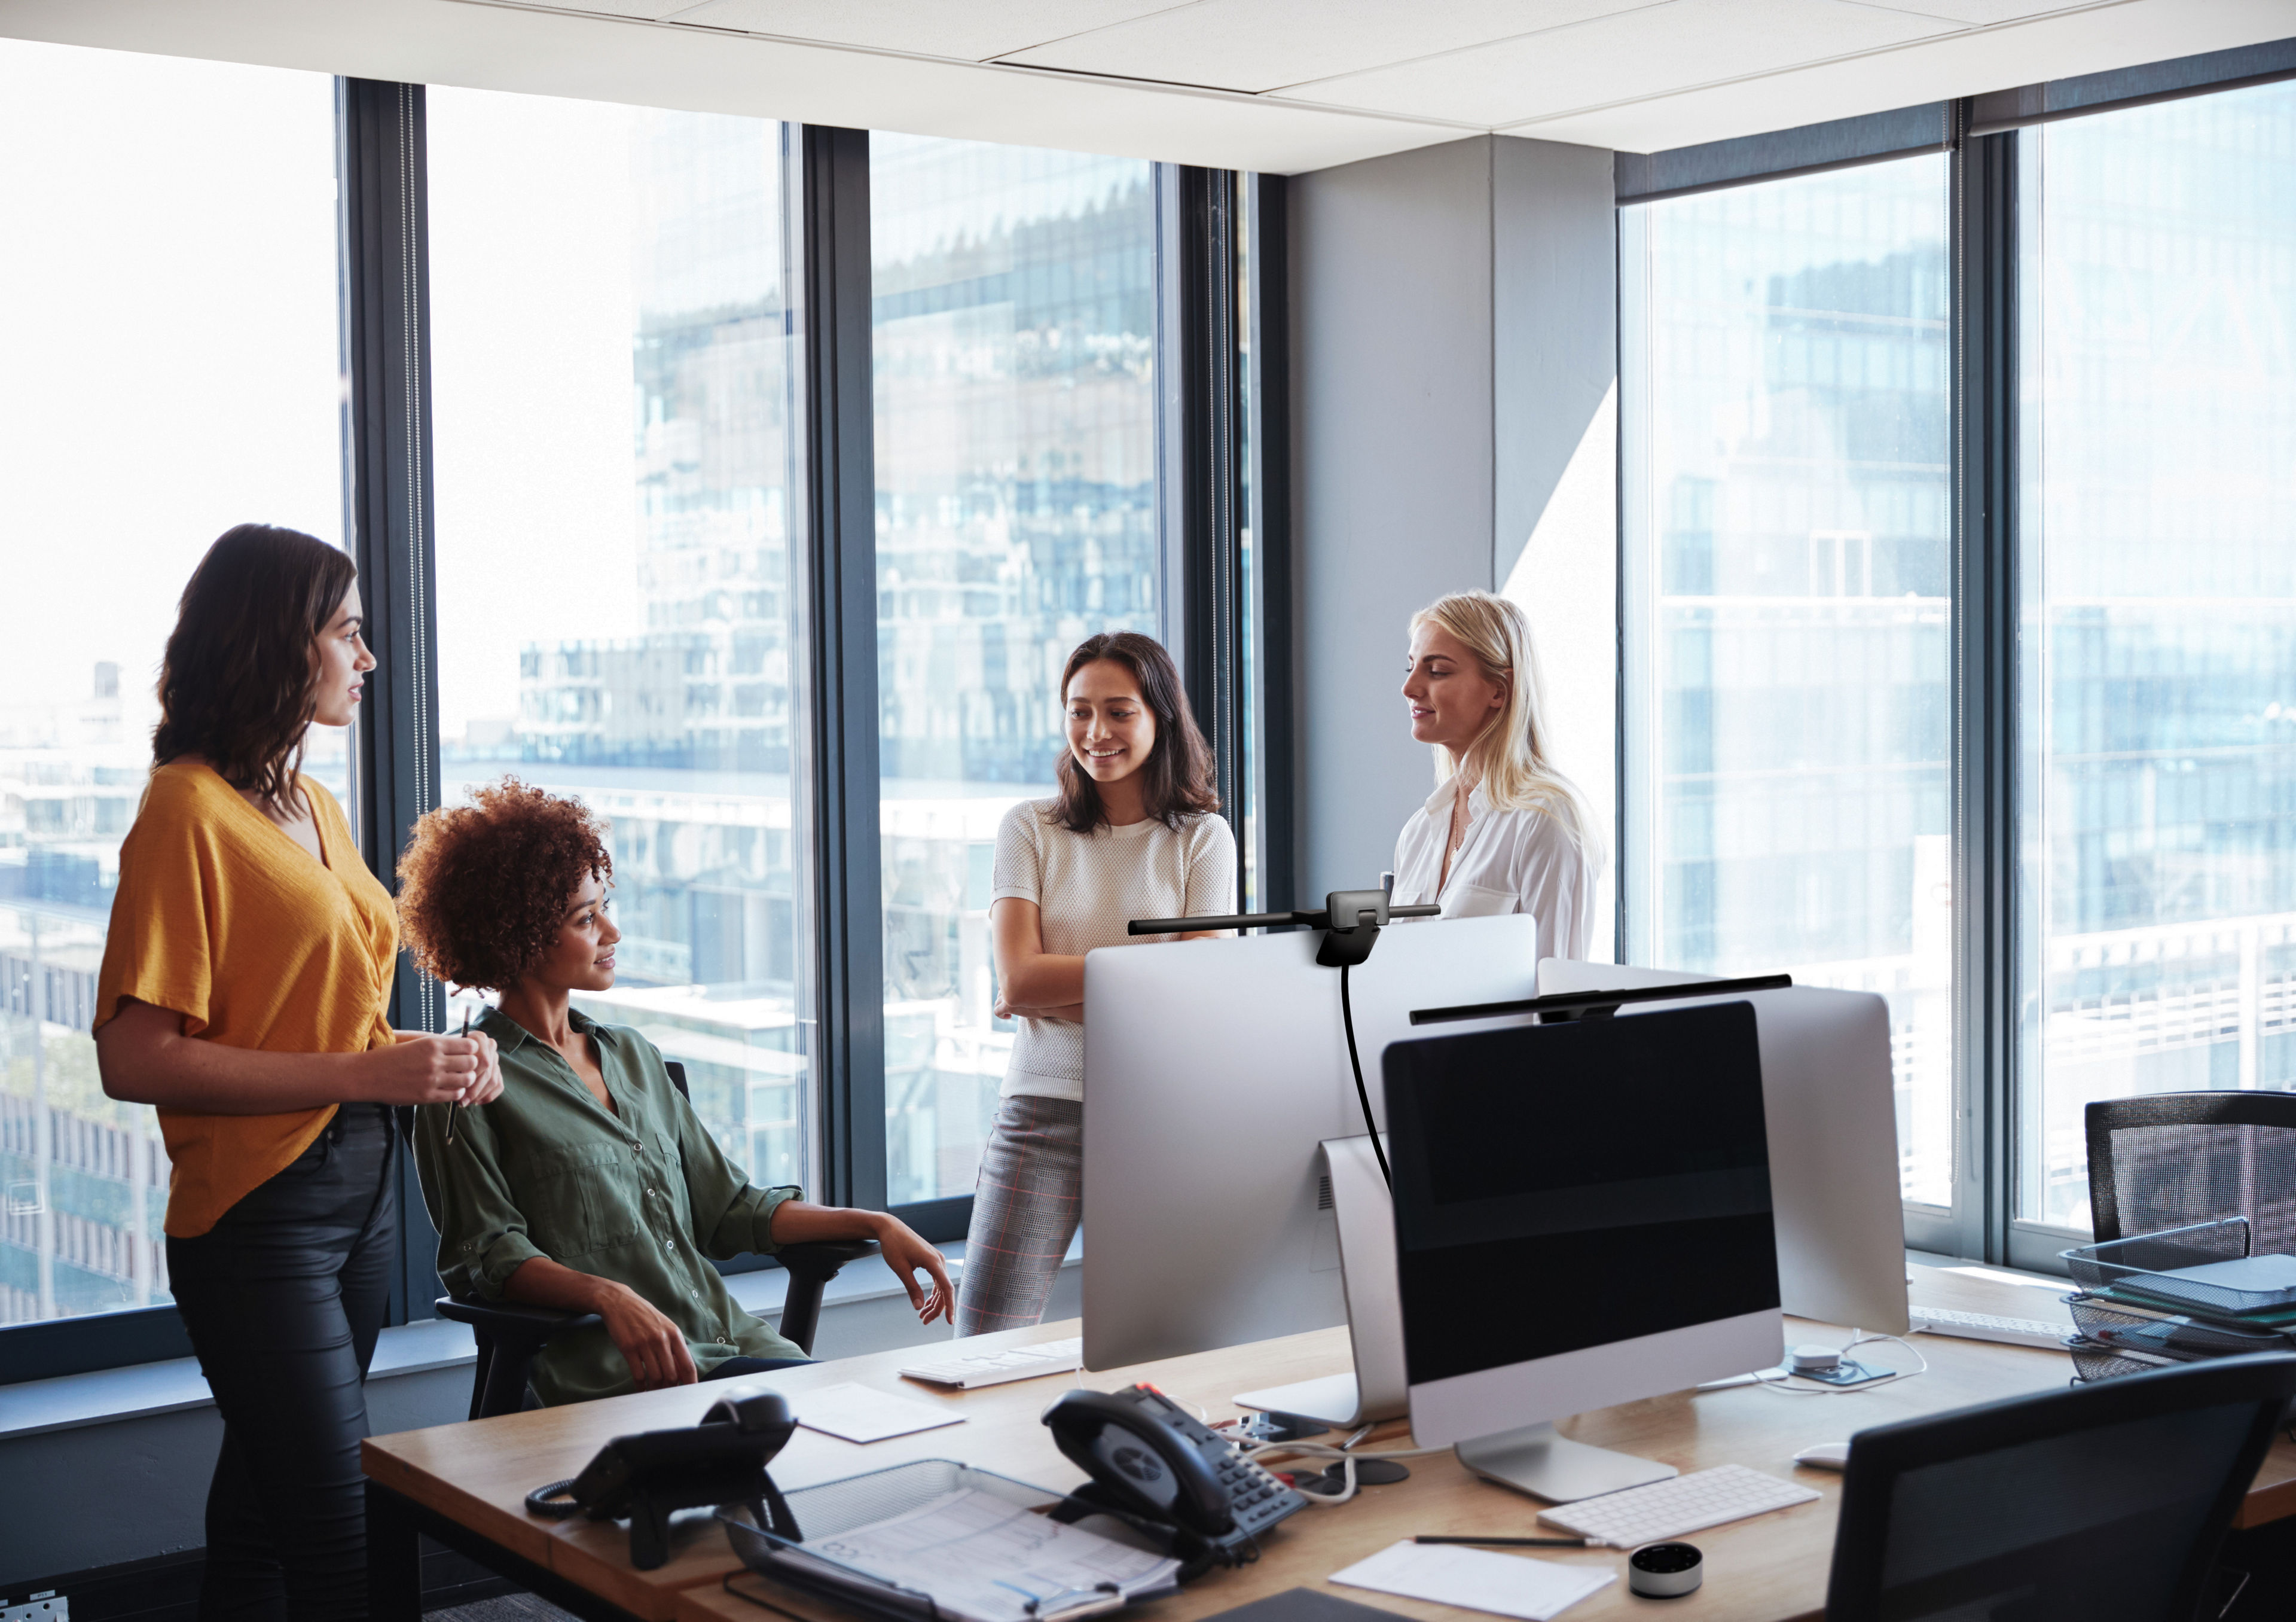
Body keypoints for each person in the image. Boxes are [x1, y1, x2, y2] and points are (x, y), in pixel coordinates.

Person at [93, 525, 503, 1622]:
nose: (367, 658)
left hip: (363, 1194)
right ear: (281, 642)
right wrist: (371, 1074)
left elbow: (338, 1010)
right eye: (349, 632)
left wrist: (441, 1064)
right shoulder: (185, 808)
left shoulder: (312, 804)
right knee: (345, 1538)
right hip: (257, 1215)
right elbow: (134, 1056)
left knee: (270, 1517)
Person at [396, 779, 952, 1403]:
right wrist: (607, 1295)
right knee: (856, 1417)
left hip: (732, 1347)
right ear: (517, 936)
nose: (613, 932)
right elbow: (490, 1257)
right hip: (617, 1376)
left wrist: (878, 1223)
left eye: (604, 905)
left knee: (882, 1414)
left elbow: (729, 1209)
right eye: (586, 918)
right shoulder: (466, 1079)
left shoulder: (634, 1057)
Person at [960, 631, 1235, 1334]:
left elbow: (1201, 993)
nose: (1096, 732)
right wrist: (1143, 981)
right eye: (1079, 712)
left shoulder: (1203, 839)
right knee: (985, 1339)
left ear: (1159, 717)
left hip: (1159, 1112)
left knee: (1163, 1343)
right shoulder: (1029, 829)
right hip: (1042, 1108)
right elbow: (1019, 977)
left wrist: (1058, 987)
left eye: (1119, 711)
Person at [1393, 589, 1604, 961]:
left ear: (1499, 691)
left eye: (1437, 670)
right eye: (1411, 667)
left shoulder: (1546, 820)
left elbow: (1556, 994)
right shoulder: (1418, 834)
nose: (1409, 688)